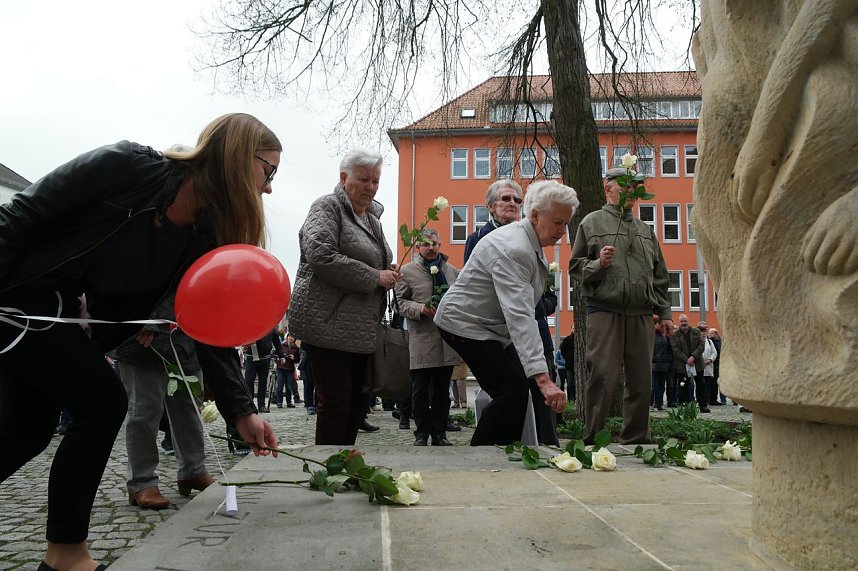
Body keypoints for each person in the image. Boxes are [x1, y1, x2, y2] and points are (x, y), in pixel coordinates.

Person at [0, 113, 280, 571]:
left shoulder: (203, 235)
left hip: (58, 312)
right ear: (236, 155)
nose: (268, 188)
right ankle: (66, 557)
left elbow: (211, 327)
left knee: (27, 430)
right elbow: (22, 215)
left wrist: (241, 411)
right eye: (268, 171)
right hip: (17, 294)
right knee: (102, 403)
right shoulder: (127, 166)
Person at [435, 180, 576, 445]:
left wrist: (538, 374)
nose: (563, 231)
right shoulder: (515, 248)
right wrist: (544, 379)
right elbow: (520, 315)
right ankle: (483, 456)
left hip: (490, 327)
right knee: (511, 391)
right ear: (535, 215)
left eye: (566, 224)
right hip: (464, 324)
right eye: (558, 223)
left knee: (522, 386)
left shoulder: (530, 244)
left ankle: (512, 449)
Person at [288, 149, 399, 445]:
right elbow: (321, 256)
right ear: (343, 178)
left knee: (358, 403)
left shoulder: (372, 219)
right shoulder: (327, 207)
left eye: (376, 180)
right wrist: (375, 276)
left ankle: (345, 461)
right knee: (336, 402)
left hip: (360, 326)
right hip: (328, 321)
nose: (371, 187)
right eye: (363, 179)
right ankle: (329, 468)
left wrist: (387, 270)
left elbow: (371, 259)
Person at [570, 166, 674, 445]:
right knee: (602, 376)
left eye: (636, 185)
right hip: (605, 310)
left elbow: (660, 275)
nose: (631, 190)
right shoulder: (591, 223)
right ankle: (592, 438)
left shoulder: (645, 230)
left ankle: (637, 437)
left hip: (641, 313)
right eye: (625, 184)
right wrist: (598, 264)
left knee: (642, 379)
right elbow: (575, 268)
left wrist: (664, 313)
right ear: (608, 188)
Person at [462, 179, 559, 445]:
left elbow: (548, 294)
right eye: (506, 199)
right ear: (491, 206)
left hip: (533, 328)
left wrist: (536, 305)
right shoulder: (478, 239)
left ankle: (548, 447)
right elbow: (475, 289)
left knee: (543, 394)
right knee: (511, 394)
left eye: (517, 200)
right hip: (500, 332)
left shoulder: (534, 239)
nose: (513, 204)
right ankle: (505, 447)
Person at [110, 295, 214, 510]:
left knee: (189, 407)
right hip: (142, 339)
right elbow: (136, 275)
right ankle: (142, 481)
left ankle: (193, 471)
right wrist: (146, 320)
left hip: (184, 337)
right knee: (144, 411)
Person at [395, 228, 460, 446]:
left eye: (434, 243)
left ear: (439, 245)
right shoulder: (407, 271)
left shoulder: (452, 271)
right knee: (420, 390)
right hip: (422, 338)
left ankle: (440, 433)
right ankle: (422, 432)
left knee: (443, 392)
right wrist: (420, 308)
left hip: (446, 339)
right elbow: (400, 303)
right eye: (425, 244)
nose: (430, 247)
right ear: (418, 248)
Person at [241, 329, 282, 413]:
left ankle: (261, 405)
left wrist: (280, 355)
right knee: (248, 380)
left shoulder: (271, 327)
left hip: (265, 358)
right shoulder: (252, 325)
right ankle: (250, 404)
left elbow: (277, 342)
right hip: (251, 357)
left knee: (263, 382)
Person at [670, 314, 705, 410]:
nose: (683, 323)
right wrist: (687, 359)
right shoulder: (674, 335)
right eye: (681, 321)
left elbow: (701, 345)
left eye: (685, 321)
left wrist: (693, 357)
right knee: (683, 385)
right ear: (679, 322)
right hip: (682, 365)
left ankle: (702, 405)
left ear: (688, 321)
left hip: (697, 363)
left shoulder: (696, 332)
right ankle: (686, 406)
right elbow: (675, 349)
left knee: (700, 384)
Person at [651, 318, 673, 411]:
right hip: (653, 365)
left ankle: (659, 404)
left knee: (661, 386)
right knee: (652, 386)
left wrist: (668, 360)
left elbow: (670, 350)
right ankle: (650, 404)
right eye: (658, 324)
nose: (660, 326)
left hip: (664, 365)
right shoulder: (650, 336)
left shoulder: (666, 337)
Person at [273, 334, 301, 408]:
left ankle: (289, 402)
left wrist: (293, 358)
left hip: (290, 369)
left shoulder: (296, 348)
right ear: (287, 337)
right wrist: (280, 359)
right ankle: (279, 402)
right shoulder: (281, 345)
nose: (291, 338)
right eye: (290, 336)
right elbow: (276, 355)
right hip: (281, 368)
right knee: (280, 386)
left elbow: (298, 360)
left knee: (288, 386)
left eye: (292, 337)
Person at [708, 328, 725, 405]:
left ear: (716, 334)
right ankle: (711, 399)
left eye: (711, 333)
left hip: (720, 364)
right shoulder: (710, 341)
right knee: (712, 383)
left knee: (719, 382)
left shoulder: (721, 342)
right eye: (709, 333)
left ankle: (721, 399)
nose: (710, 335)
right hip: (712, 364)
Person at [558, 325, 575, 401]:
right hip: (569, 365)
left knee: (576, 384)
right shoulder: (567, 340)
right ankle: (570, 399)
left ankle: (575, 398)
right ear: (571, 329)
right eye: (574, 328)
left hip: (578, 366)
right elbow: (562, 351)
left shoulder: (581, 339)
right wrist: (567, 358)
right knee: (569, 383)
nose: (575, 329)